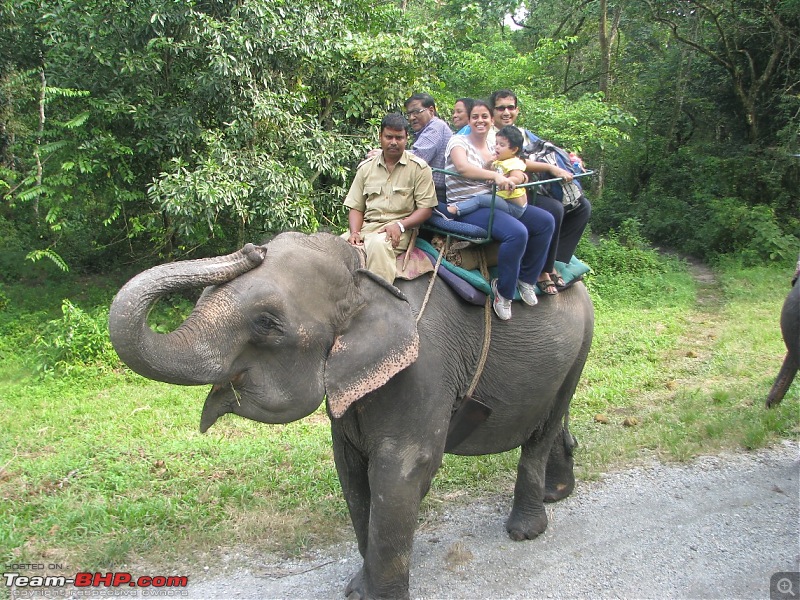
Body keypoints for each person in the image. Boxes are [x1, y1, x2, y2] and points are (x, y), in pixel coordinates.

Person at [444, 100, 555, 320]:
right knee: (517, 232)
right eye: (475, 116)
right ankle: (503, 292)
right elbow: (463, 168)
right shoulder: (458, 141)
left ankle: (527, 279)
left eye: (484, 116)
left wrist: (519, 176)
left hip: (497, 200)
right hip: (470, 202)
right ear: (468, 119)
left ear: (491, 119)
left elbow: (518, 164)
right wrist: (495, 175)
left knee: (545, 221)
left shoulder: (496, 145)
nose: (480, 121)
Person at [490, 89, 592, 294]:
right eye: (501, 108)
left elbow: (548, 150)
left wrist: (571, 161)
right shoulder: (493, 136)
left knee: (583, 206)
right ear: (493, 112)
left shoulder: (524, 134)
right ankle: (542, 270)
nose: (506, 112)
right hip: (514, 193)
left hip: (535, 188)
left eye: (510, 107)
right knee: (554, 209)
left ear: (517, 110)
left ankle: (556, 259)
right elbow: (519, 162)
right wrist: (548, 168)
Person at [343, 113, 437, 285]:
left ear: (406, 139)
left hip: (398, 230)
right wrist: (354, 232)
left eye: (399, 137)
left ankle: (378, 299)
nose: (394, 142)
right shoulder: (365, 168)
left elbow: (426, 209)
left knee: (379, 246)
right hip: (366, 227)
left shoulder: (420, 169)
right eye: (389, 137)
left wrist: (400, 225)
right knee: (336, 246)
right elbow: (356, 206)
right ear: (380, 137)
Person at [447, 126, 528, 219]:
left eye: (502, 145)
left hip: (514, 206)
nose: (497, 147)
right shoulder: (499, 161)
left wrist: (507, 181)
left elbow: (517, 178)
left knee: (480, 199)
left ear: (514, 150)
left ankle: (454, 210)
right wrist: (489, 164)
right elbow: (486, 172)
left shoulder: (514, 162)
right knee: (485, 199)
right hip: (503, 200)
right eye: (496, 143)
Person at [403, 93, 453, 204]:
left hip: (436, 194)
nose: (411, 118)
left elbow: (418, 157)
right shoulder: (426, 130)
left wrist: (385, 154)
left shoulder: (436, 127)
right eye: (409, 114)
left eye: (416, 112)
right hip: (426, 190)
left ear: (431, 110)